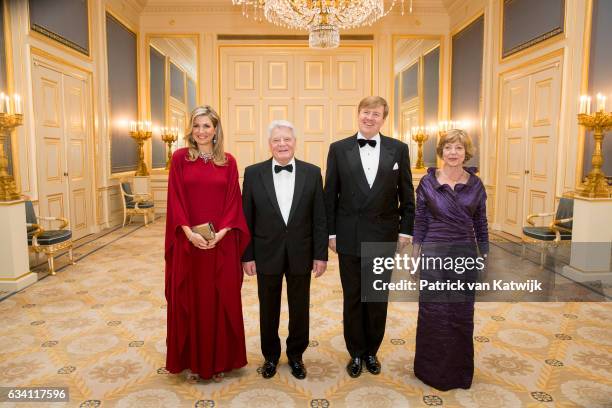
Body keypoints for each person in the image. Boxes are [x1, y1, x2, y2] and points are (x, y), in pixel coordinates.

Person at [324, 96, 415, 378]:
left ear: (383, 118)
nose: (370, 118)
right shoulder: (338, 149)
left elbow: (406, 194)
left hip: (383, 235)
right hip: (349, 235)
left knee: (375, 297)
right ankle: (355, 353)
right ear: (358, 113)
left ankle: (371, 352)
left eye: (376, 114)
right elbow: (330, 195)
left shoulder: (398, 149)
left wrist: (405, 230)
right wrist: (331, 233)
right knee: (352, 297)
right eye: (366, 112)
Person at [164, 105, 250, 383]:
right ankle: (192, 361)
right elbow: (175, 200)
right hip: (188, 244)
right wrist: (190, 234)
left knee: (219, 299)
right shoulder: (179, 159)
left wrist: (222, 233)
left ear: (216, 130)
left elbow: (233, 202)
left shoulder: (228, 161)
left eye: (206, 126)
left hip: (220, 246)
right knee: (189, 299)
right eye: (197, 126)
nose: (201, 131)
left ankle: (220, 360)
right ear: (191, 129)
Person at [242, 120, 328, 380]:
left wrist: (320, 254)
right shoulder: (253, 172)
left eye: (286, 139)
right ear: (269, 145)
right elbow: (246, 217)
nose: (282, 144)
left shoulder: (312, 173)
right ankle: (270, 356)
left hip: (301, 252)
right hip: (266, 251)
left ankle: (296, 355)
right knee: (268, 307)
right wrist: (247, 255)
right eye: (277, 140)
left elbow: (320, 218)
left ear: (295, 143)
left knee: (300, 307)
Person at [412, 129, 489, 391]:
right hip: (434, 253)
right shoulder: (427, 182)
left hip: (464, 253)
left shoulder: (476, 184)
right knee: (434, 312)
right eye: (448, 148)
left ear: (466, 152)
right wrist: (415, 255)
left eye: (458, 148)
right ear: (441, 151)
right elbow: (420, 220)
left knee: (460, 312)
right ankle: (431, 370)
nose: (453, 153)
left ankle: (458, 371)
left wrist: (485, 254)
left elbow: (481, 221)